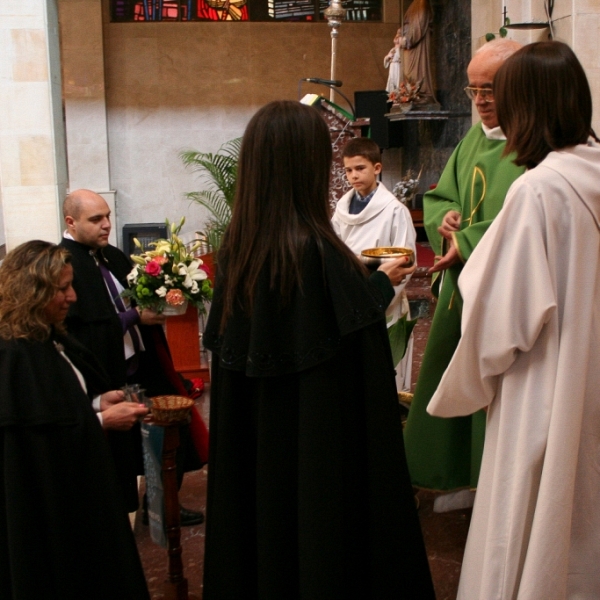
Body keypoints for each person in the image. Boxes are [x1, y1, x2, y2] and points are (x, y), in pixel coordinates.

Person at [202, 100, 435, 599]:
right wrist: (377, 285)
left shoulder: (239, 248)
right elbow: (343, 343)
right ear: (303, 166)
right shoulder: (313, 247)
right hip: (317, 441)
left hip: (261, 441)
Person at [428, 40, 600, 599]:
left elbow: (503, 323)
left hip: (544, 384)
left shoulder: (539, 190)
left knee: (533, 526)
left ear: (525, 107)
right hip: (590, 379)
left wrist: (459, 388)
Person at [403, 38, 524, 505]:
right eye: (474, 90)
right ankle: (455, 476)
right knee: (452, 376)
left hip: (504, 293)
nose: (481, 100)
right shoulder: (475, 138)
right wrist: (447, 220)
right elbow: (439, 196)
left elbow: (532, 217)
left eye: (489, 88)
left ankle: (490, 481)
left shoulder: (534, 140)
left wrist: (466, 241)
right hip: (462, 290)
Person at [0, 240, 150, 599]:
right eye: (63, 288)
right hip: (53, 514)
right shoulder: (15, 355)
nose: (73, 297)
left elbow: (54, 410)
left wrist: (97, 402)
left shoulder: (45, 341)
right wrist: (101, 421)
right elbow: (35, 441)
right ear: (33, 291)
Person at [60, 189, 205, 525]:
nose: (107, 225)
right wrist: (134, 317)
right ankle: (120, 515)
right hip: (106, 373)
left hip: (143, 361)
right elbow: (78, 326)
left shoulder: (110, 254)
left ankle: (161, 503)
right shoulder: (63, 262)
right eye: (96, 219)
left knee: (171, 431)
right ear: (71, 222)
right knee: (120, 453)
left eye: (107, 216)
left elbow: (137, 295)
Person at [332, 137, 417, 391]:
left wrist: (379, 292)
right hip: (349, 303)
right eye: (348, 170)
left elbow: (405, 261)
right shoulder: (341, 210)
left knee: (384, 379)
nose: (353, 176)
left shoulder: (394, 210)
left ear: (377, 168)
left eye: (360, 168)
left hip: (385, 303)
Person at [398, 0, 437, 105]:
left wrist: (407, 39)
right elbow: (407, 24)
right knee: (408, 76)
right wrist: (401, 34)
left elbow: (419, 24)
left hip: (417, 48)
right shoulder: (413, 4)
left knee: (418, 72)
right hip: (408, 49)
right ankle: (410, 94)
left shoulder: (422, 3)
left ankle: (421, 93)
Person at [384, 28, 402, 93]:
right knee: (392, 80)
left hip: (398, 66)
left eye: (399, 36)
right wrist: (388, 57)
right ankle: (393, 95)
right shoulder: (392, 49)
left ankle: (397, 95)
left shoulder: (401, 50)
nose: (397, 38)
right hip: (392, 66)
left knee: (398, 81)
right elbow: (386, 60)